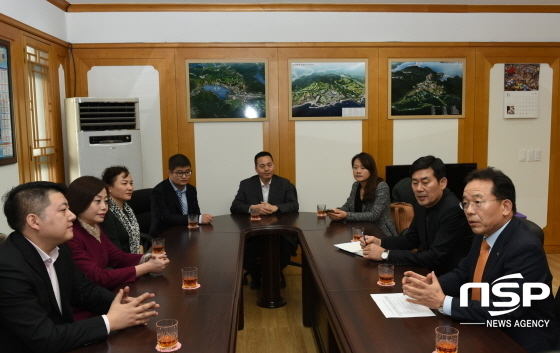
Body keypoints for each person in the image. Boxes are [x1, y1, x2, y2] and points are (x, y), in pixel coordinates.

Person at [402, 167, 559, 353]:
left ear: (506, 207)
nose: (469, 211)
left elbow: (504, 309)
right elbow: (463, 273)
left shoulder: (525, 248)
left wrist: (443, 302)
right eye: (465, 203)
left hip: (519, 339)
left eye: (477, 202)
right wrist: (427, 284)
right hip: (485, 327)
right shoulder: (483, 234)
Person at [0, 181, 160, 353]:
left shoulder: (59, 248)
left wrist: (120, 305)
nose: (72, 216)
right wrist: (110, 321)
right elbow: (44, 337)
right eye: (63, 210)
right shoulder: (8, 270)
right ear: (34, 221)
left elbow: (83, 291)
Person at [362, 155, 472, 275]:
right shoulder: (422, 203)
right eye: (415, 183)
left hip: (449, 278)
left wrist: (385, 254)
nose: (419, 189)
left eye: (425, 182)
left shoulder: (452, 209)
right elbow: (411, 239)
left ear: (442, 183)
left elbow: (434, 257)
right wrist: (380, 242)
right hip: (428, 272)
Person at [66, 176, 169, 293]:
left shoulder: (94, 227)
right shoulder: (71, 235)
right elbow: (99, 277)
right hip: (87, 304)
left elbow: (117, 257)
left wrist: (146, 258)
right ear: (80, 201)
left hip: (102, 293)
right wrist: (147, 267)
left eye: (106, 201)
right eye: (97, 201)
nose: (104, 207)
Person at [230, 151, 299, 289]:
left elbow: (294, 205)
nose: (267, 169)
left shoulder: (284, 184)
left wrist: (275, 208)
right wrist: (253, 208)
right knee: (248, 252)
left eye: (269, 165)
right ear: (256, 168)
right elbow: (235, 206)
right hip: (254, 231)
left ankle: (274, 275)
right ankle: (256, 276)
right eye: (262, 166)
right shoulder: (246, 184)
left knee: (283, 251)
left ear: (273, 165)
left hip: (279, 232)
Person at [328, 152, 398, 237]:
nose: (358, 171)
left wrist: (346, 215)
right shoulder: (356, 186)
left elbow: (374, 215)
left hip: (381, 233)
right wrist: (336, 212)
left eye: (363, 168)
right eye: (355, 167)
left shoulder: (381, 186)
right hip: (360, 232)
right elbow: (348, 206)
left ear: (371, 170)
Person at [150, 154, 213, 237]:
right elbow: (167, 217)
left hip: (188, 235)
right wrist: (198, 219)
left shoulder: (191, 190)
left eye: (187, 172)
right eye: (179, 173)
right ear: (169, 173)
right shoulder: (159, 191)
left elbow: (196, 213)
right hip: (166, 236)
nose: (184, 176)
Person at [101, 166, 142, 253]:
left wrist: (142, 259)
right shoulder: (106, 212)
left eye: (131, 183)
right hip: (122, 262)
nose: (130, 188)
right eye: (124, 183)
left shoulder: (127, 208)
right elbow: (115, 251)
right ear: (109, 188)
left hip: (135, 259)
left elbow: (138, 238)